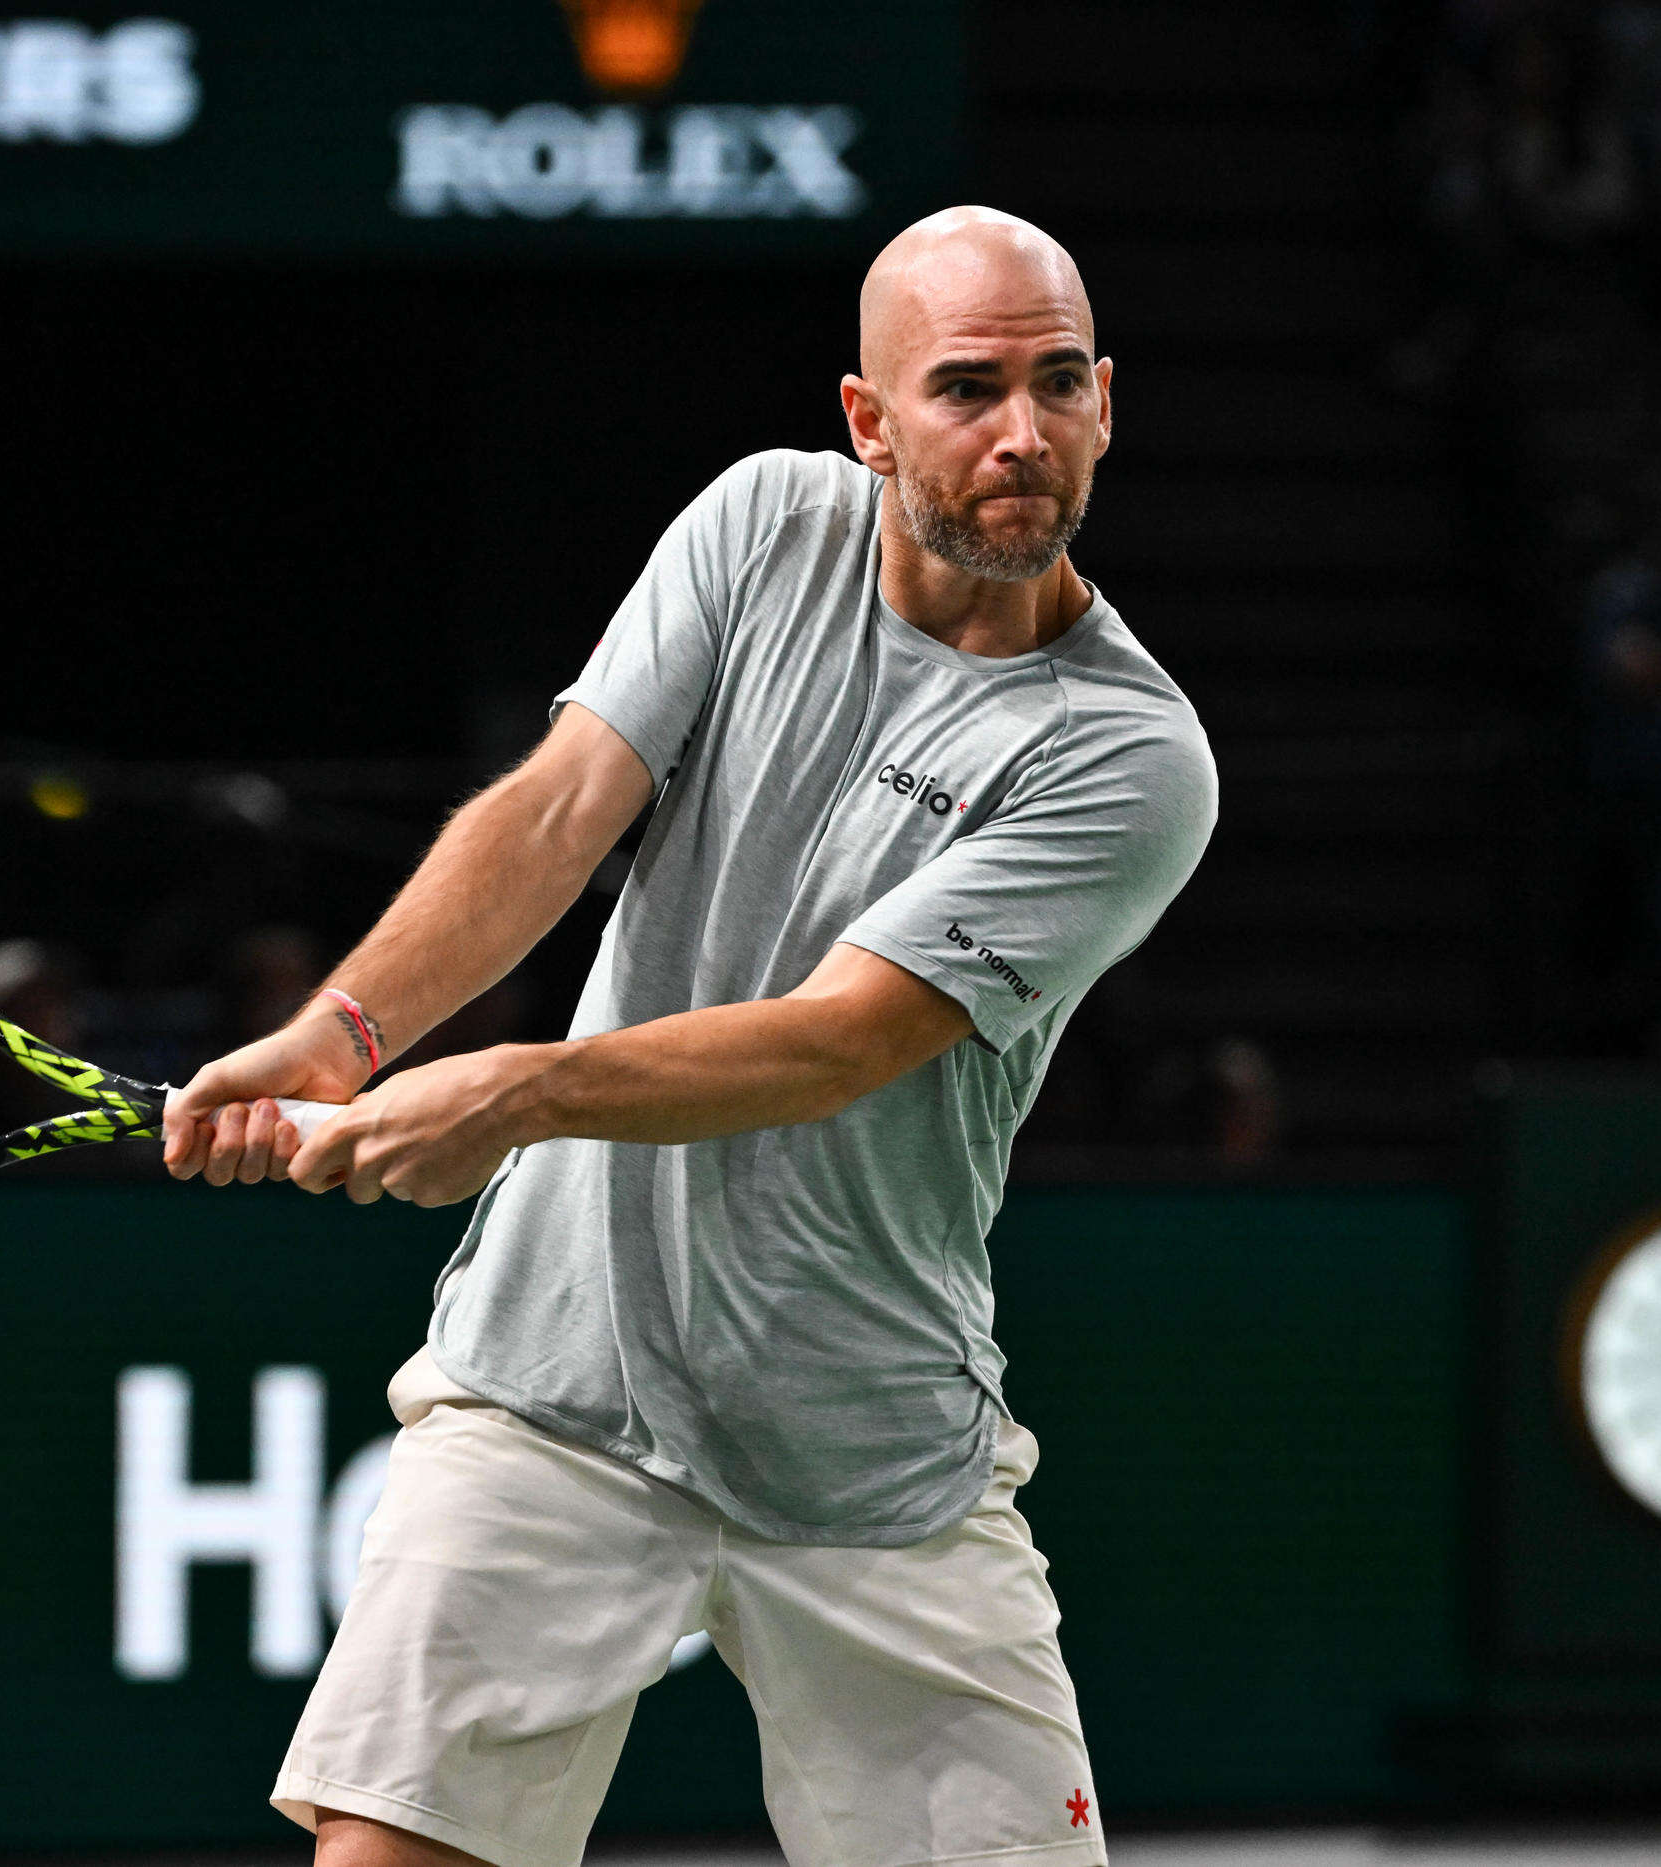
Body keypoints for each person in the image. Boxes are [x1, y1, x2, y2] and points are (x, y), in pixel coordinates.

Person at [162, 205, 1217, 1867]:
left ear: (1107, 399)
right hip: (557, 1383)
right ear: (870, 423)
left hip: (869, 1447)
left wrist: (515, 1091)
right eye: (966, 389)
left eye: (1058, 383)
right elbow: (560, 809)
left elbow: (836, 1045)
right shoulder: (757, 525)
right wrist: (343, 1032)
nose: (1022, 433)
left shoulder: (1131, 759)